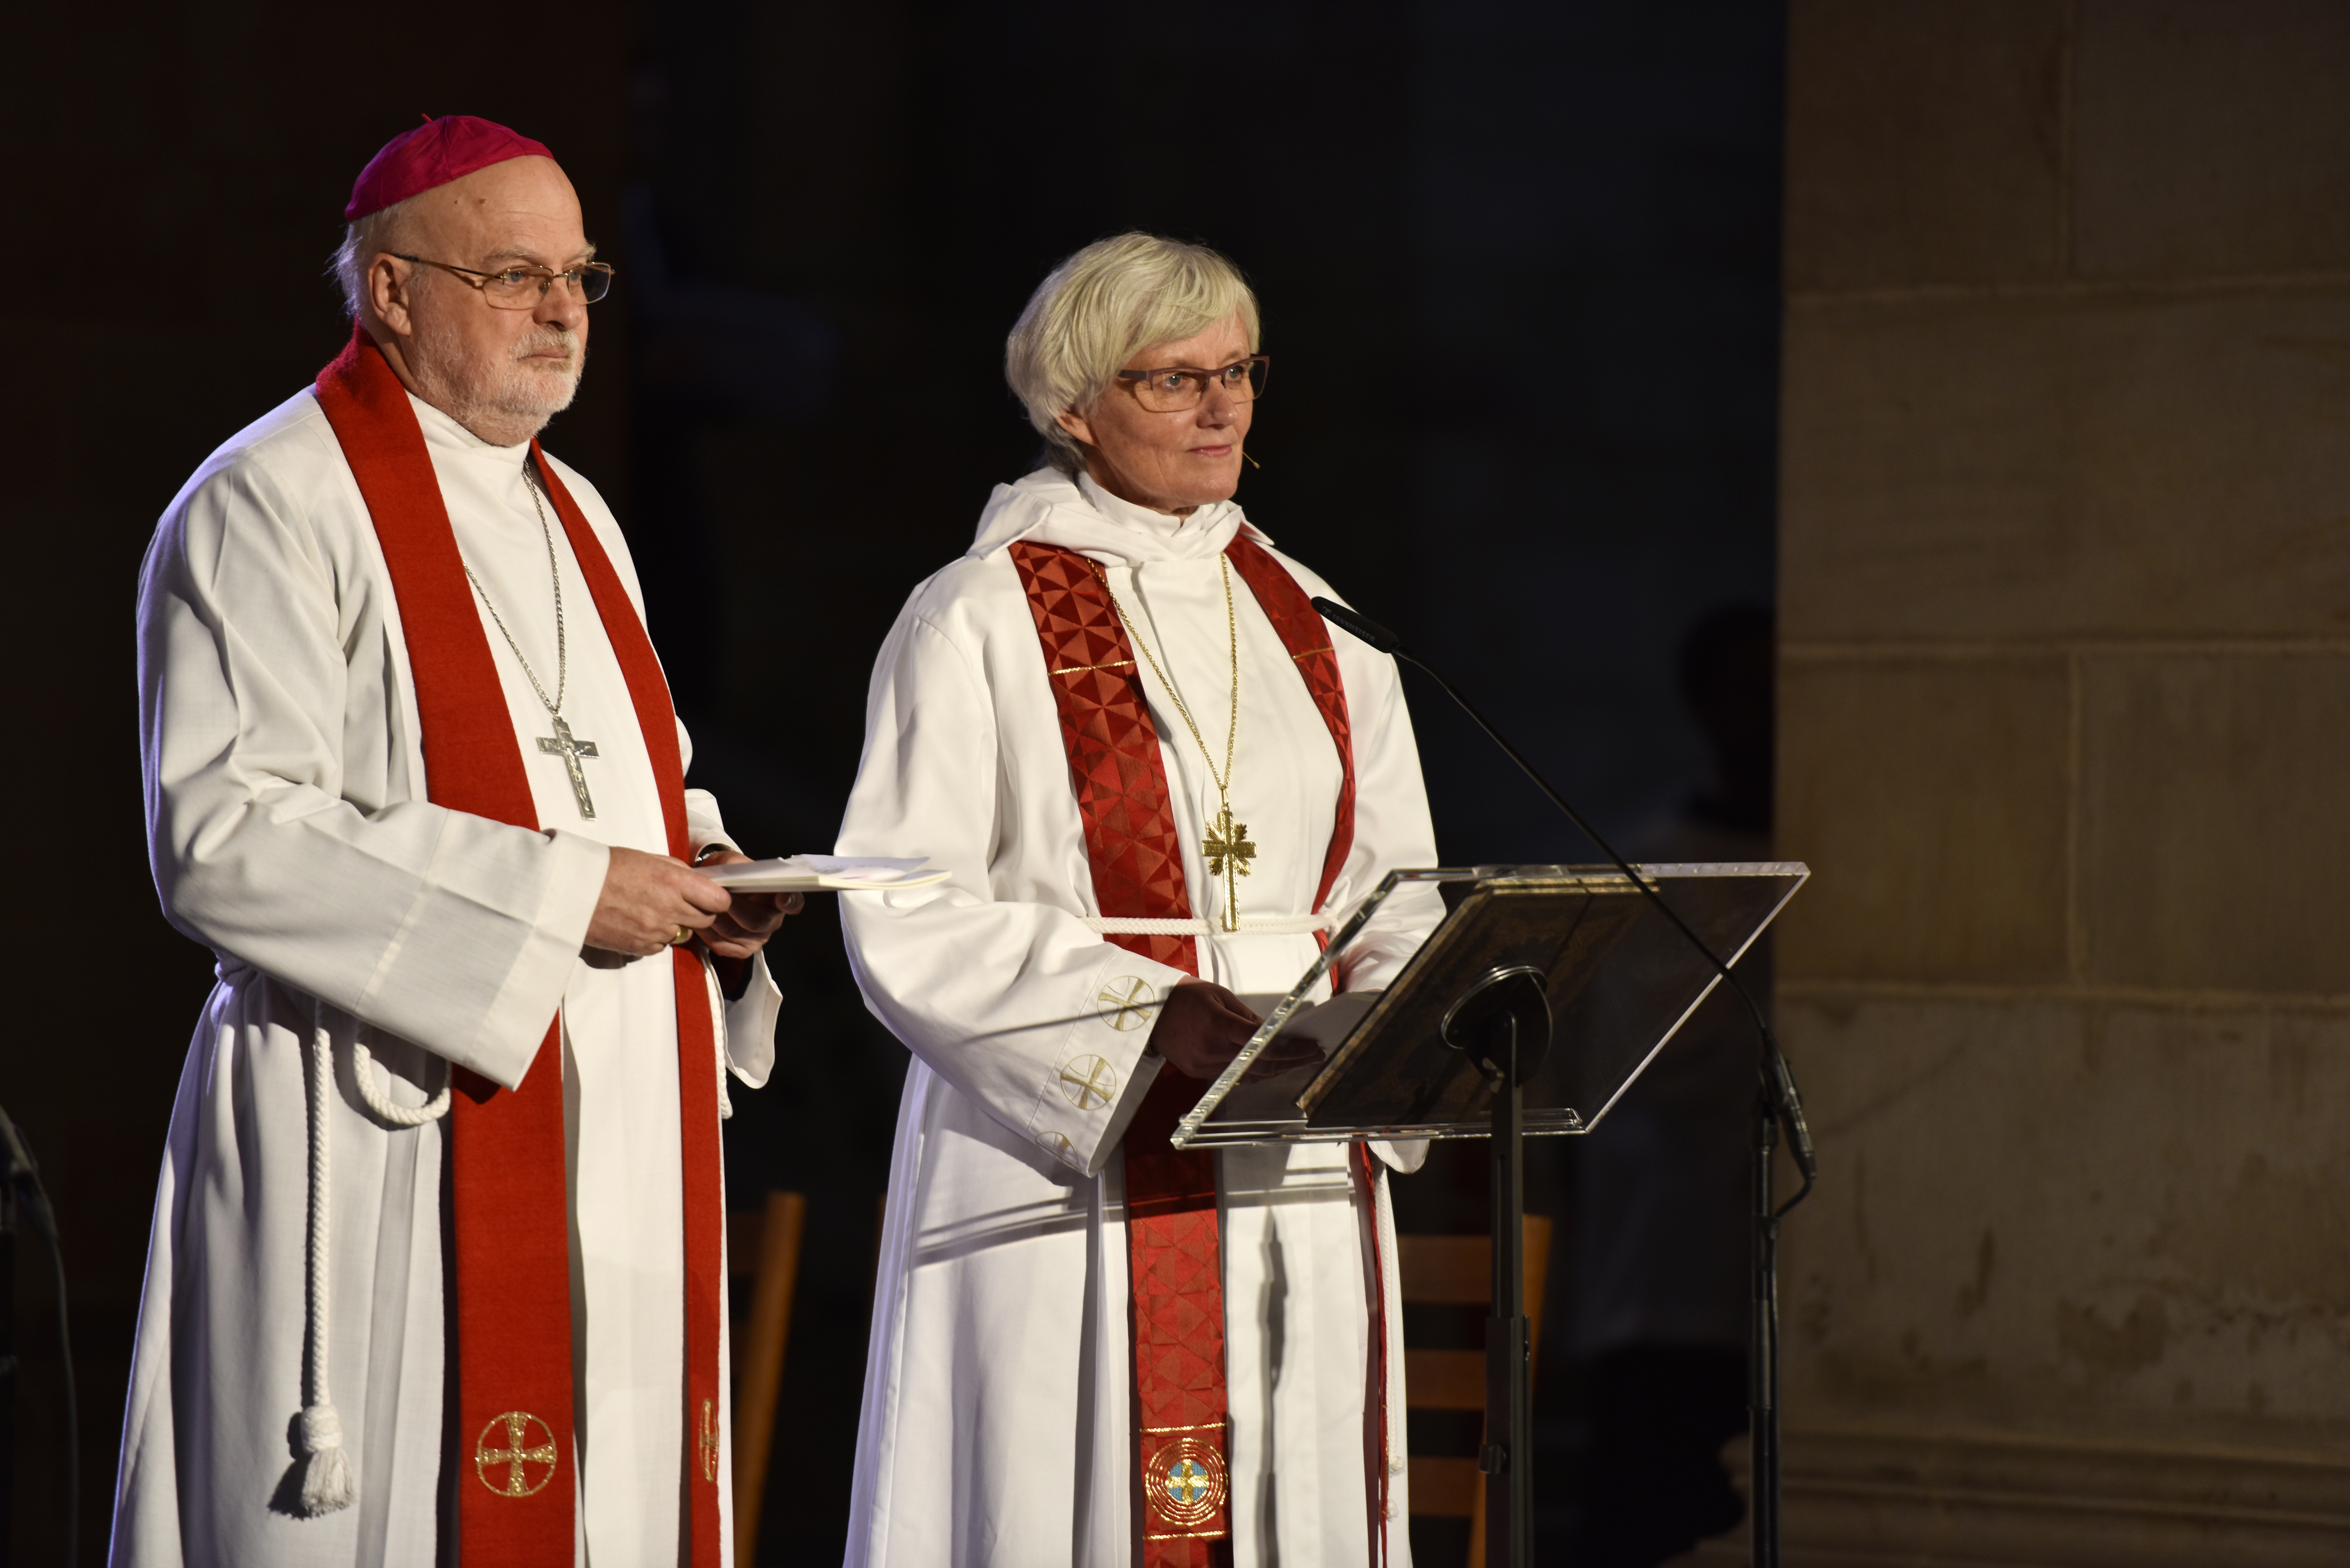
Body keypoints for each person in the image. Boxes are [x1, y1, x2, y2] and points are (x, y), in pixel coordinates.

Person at [111, 116, 795, 1567]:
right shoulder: (272, 498)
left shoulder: (578, 511)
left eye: (581, 276)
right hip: (380, 1113)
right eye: (512, 275)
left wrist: (706, 874)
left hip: (607, 1104)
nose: (560, 311)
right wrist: (563, 898)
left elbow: (632, 785)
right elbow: (223, 837)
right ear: (391, 290)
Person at [835, 233, 1444, 1566]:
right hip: (1069, 1154)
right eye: (1172, 380)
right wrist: (1145, 1011)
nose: (1221, 406)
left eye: (1237, 371)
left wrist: (1399, 1029)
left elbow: (1394, 885)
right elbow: (899, 904)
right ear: (1072, 407)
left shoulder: (1320, 623)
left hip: (1293, 1157)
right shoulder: (976, 618)